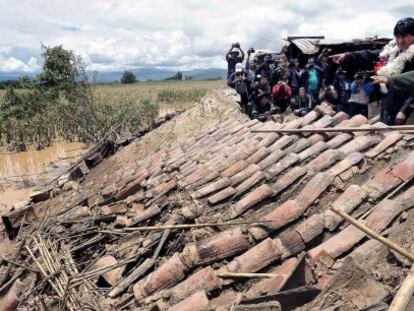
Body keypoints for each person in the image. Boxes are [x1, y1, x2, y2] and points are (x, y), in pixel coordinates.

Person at [331, 17, 414, 124]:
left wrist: (405, 110)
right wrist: (347, 56)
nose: (400, 41)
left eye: (404, 36)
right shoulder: (393, 51)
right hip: (390, 105)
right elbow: (370, 55)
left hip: (407, 112)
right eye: (398, 37)